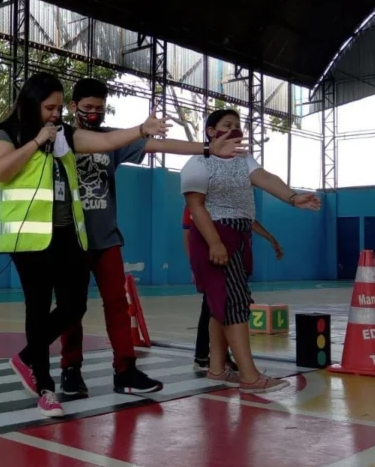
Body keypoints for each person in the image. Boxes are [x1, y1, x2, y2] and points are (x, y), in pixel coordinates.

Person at [0, 71, 170, 417]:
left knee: (74, 305)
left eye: (59, 108)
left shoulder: (65, 136)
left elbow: (105, 143)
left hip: (68, 237)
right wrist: (35, 141)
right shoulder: (7, 132)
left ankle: (27, 357)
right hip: (28, 239)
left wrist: (140, 131)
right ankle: (45, 387)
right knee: (38, 310)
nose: (56, 114)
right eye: (50, 107)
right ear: (32, 103)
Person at [57, 78, 246, 396]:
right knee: (70, 308)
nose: (94, 114)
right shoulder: (60, 137)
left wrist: (207, 149)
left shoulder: (112, 139)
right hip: (71, 239)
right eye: (87, 108)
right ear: (73, 107)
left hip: (106, 238)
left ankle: (125, 370)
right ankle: (70, 369)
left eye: (100, 109)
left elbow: (158, 145)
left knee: (117, 305)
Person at [181, 108, 320, 394]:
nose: (234, 130)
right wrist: (215, 243)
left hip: (240, 234)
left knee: (222, 304)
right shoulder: (197, 163)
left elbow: (266, 178)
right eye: (226, 125)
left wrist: (293, 198)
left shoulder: (243, 160)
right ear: (210, 132)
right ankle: (249, 375)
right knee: (233, 303)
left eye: (237, 126)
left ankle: (217, 368)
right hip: (214, 234)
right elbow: (196, 207)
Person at [182, 206, 283, 371]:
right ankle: (206, 358)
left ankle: (217, 359)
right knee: (213, 307)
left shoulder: (231, 201)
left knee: (221, 308)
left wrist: (270, 238)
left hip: (234, 260)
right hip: (214, 261)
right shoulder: (198, 201)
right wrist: (194, 266)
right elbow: (187, 234)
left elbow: (248, 221)